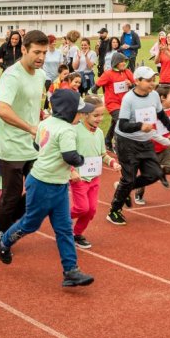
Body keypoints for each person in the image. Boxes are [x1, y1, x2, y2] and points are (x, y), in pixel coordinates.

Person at [0, 89, 95, 287]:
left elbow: (38, 145)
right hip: (44, 184)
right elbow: (70, 157)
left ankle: (71, 270)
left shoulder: (45, 123)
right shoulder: (67, 130)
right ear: (67, 111)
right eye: (79, 112)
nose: (82, 116)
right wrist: (82, 160)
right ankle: (3, 241)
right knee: (30, 223)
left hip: (55, 183)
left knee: (64, 228)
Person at [0, 30, 48, 236]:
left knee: (42, 191)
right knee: (11, 197)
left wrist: (41, 117)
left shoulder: (41, 74)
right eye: (36, 52)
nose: (41, 57)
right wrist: (30, 127)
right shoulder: (12, 75)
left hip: (33, 145)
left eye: (44, 52)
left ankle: (7, 224)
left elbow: (30, 104)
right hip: (12, 146)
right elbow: (2, 109)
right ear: (23, 49)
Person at [107, 67, 170, 222]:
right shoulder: (129, 99)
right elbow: (123, 125)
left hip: (144, 141)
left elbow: (160, 114)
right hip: (126, 142)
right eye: (148, 80)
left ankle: (122, 189)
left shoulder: (153, 95)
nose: (152, 84)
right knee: (129, 178)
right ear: (137, 81)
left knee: (155, 174)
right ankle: (114, 211)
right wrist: (140, 126)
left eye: (153, 80)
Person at [72, 97, 118, 248]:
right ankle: (61, 219)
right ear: (85, 114)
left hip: (94, 178)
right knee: (81, 208)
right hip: (79, 178)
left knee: (91, 210)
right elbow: (67, 154)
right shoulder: (75, 131)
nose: (100, 118)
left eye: (102, 115)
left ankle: (76, 234)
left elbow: (103, 155)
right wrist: (72, 171)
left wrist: (113, 162)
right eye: (96, 115)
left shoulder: (99, 133)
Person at [94, 53, 133, 152]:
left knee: (115, 122)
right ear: (116, 63)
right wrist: (95, 101)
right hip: (112, 103)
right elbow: (95, 87)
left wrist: (131, 84)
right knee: (121, 121)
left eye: (125, 61)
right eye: (121, 62)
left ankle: (107, 141)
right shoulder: (108, 74)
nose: (124, 63)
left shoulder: (127, 72)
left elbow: (136, 86)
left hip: (125, 104)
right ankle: (117, 144)